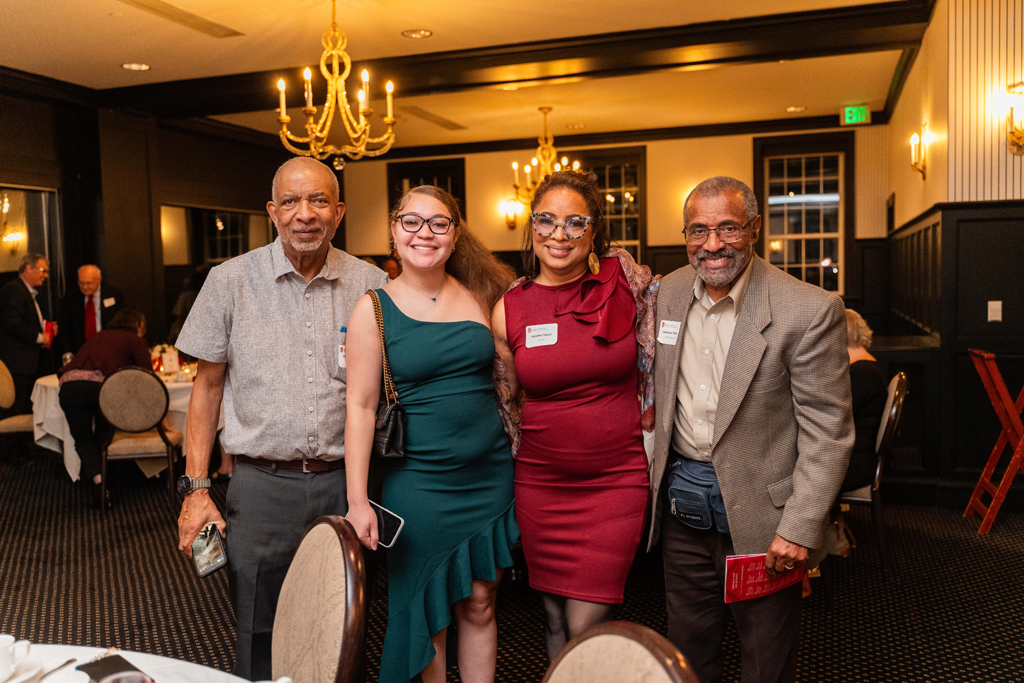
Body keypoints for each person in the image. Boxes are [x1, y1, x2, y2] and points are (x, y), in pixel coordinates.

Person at [174, 157, 388, 680]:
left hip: (348, 485)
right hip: (261, 488)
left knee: (346, 628)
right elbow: (206, 388)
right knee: (259, 629)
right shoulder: (229, 281)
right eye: (290, 202)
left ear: (338, 212)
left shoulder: (373, 284)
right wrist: (196, 489)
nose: (304, 214)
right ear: (272, 212)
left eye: (318, 201)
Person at [648, 176, 853, 683]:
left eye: (727, 228)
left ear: (754, 229)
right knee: (687, 653)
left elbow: (828, 430)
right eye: (698, 230)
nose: (712, 244)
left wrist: (800, 525)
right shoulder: (667, 294)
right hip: (683, 512)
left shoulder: (806, 308)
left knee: (766, 660)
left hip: (766, 524)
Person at [345, 185, 518, 683]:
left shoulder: (484, 296)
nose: (425, 233)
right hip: (417, 483)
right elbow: (359, 408)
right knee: (428, 608)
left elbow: (513, 381)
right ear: (394, 231)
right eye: (411, 221)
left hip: (490, 475)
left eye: (438, 223)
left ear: (455, 233)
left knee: (482, 601)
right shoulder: (372, 309)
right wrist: (358, 501)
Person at [492, 170, 657, 661]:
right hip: (542, 483)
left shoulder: (630, 285)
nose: (558, 234)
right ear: (531, 226)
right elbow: (506, 402)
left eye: (574, 222)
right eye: (546, 220)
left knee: (587, 620)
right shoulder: (509, 309)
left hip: (616, 481)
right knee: (553, 617)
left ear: (594, 230)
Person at [57, 309, 151, 509]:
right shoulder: (134, 339)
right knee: (104, 434)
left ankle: (100, 485)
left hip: (69, 387)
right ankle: (112, 481)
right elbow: (147, 376)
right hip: (100, 389)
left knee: (83, 439)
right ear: (139, 326)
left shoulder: (98, 336)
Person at [0, 253, 56, 417]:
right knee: (15, 410)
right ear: (28, 268)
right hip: (17, 363)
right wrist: (41, 337)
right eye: (42, 270)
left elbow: (27, 321)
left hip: (28, 362)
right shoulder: (13, 290)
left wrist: (47, 329)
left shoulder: (27, 292)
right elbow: (12, 323)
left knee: (25, 408)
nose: (46, 275)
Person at [842, 309, 887, 492]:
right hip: (856, 459)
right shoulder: (867, 368)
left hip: (853, 466)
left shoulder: (862, 374)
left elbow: (836, 419)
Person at [58, 264, 125, 355]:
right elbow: (65, 327)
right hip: (81, 350)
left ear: (99, 280)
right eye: (81, 283)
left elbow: (122, 324)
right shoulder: (71, 297)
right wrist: (67, 352)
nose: (85, 287)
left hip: (108, 348)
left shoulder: (114, 295)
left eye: (89, 283)